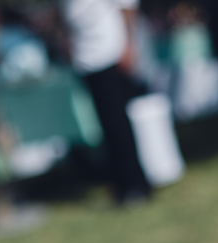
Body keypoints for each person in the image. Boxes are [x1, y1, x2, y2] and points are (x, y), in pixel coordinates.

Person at [61, 0, 152, 205]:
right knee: (106, 127)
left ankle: (136, 185)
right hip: (85, 59)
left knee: (119, 124)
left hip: (110, 52)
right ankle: (120, 184)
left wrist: (129, 44)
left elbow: (127, 6)